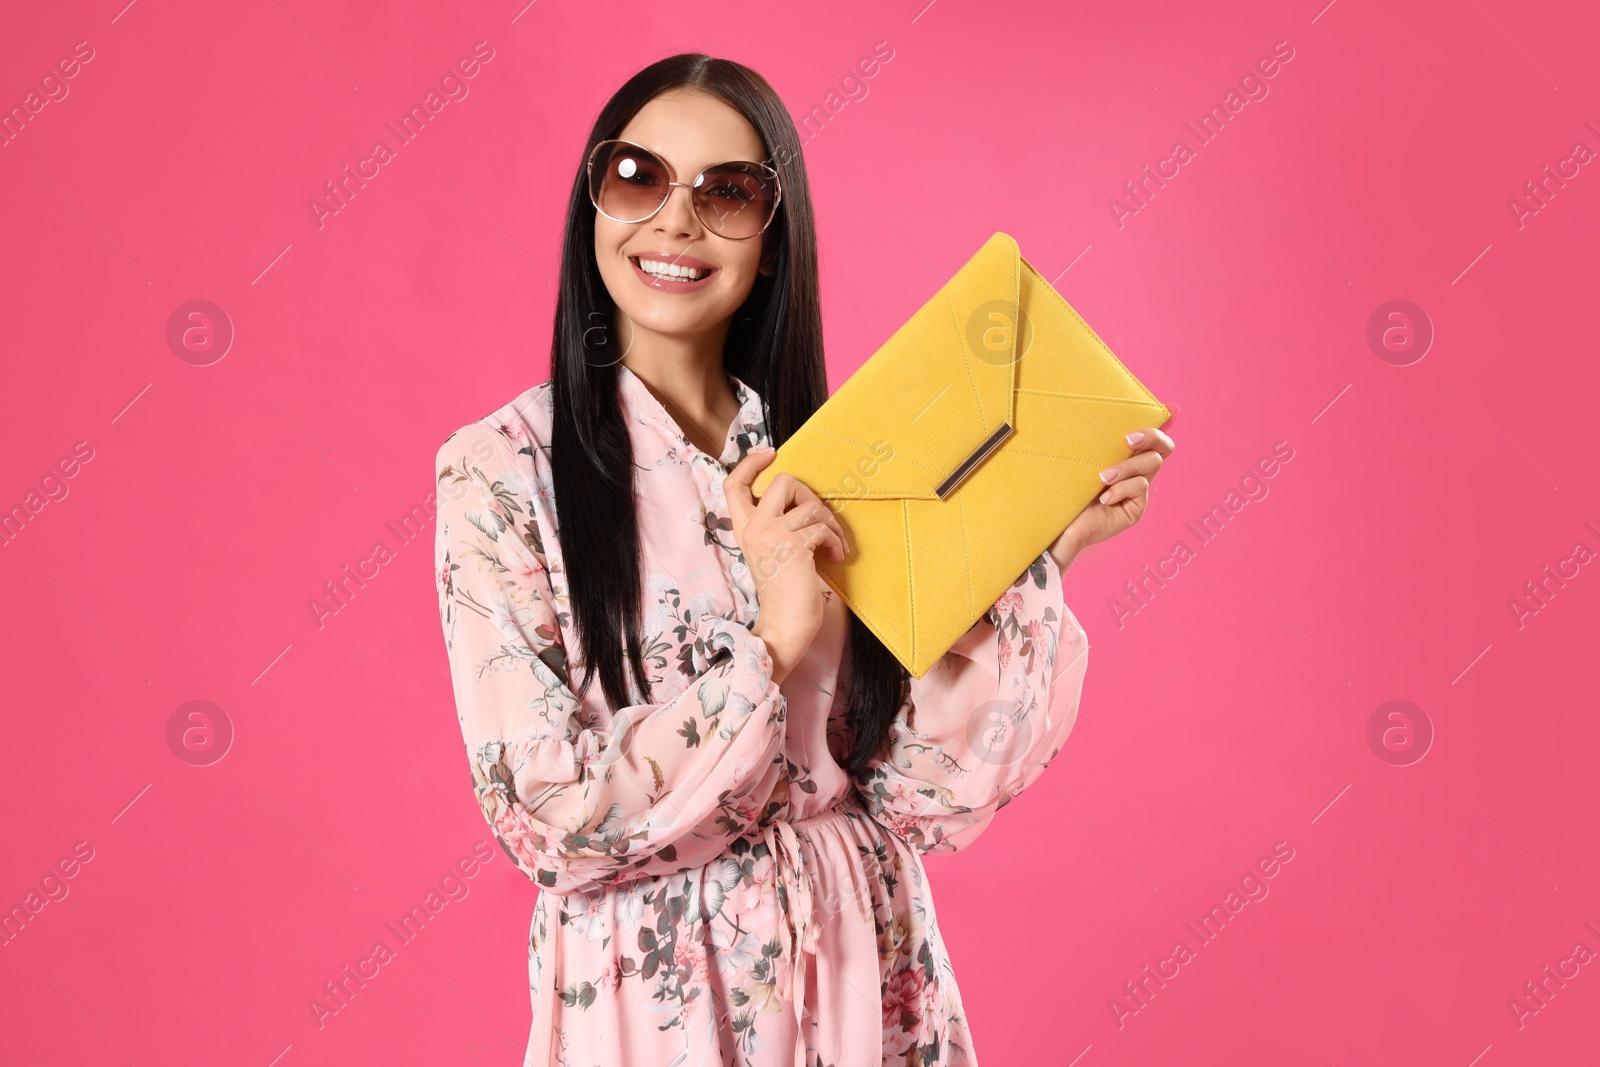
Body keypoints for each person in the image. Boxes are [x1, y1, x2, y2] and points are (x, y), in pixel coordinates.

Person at [432, 52, 1175, 1067]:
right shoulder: (502, 473)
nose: (676, 222)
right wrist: (771, 641)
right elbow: (547, 817)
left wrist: (1027, 559)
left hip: (866, 959)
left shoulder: (837, 457)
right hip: (653, 1003)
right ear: (592, 205)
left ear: (774, 242)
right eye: (637, 176)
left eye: (726, 191)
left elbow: (923, 794)